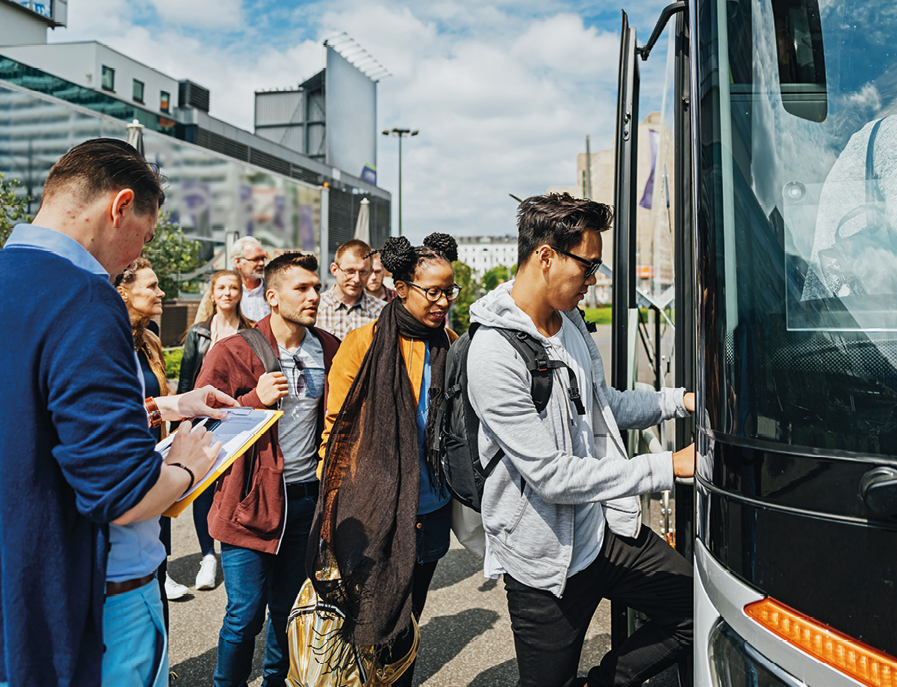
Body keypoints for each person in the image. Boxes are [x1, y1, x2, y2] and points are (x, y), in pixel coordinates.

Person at [0, 137, 235, 687]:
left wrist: (165, 406)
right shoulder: (84, 295)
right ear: (120, 205)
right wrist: (185, 468)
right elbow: (122, 493)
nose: (135, 257)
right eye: (144, 238)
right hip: (92, 602)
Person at [466, 193, 696, 687]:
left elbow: (603, 404)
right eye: (588, 267)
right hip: (545, 560)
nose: (593, 282)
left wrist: (681, 401)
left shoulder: (568, 321)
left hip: (603, 529)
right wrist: (666, 467)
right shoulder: (492, 354)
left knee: (693, 611)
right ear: (546, 256)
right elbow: (551, 476)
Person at [310, 233, 460, 687]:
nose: (442, 301)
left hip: (430, 509)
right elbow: (336, 430)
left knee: (408, 617)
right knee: (366, 616)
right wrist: (332, 509)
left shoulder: (451, 343)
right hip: (373, 508)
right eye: (431, 291)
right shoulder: (363, 344)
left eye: (448, 290)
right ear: (401, 289)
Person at [196, 252, 340, 687]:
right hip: (249, 505)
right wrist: (252, 399)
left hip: (305, 501)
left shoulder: (328, 348)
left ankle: (276, 681)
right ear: (272, 296)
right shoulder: (233, 350)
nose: (314, 295)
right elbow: (198, 426)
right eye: (303, 288)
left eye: (316, 287)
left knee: (288, 611)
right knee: (243, 615)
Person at [113, 258, 192, 611]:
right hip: (120, 467)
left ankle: (164, 665)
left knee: (158, 569)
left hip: (155, 461)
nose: (160, 292)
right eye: (152, 286)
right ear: (123, 291)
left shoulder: (150, 339)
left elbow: (158, 391)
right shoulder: (106, 340)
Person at [178, 270, 256, 591]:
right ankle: (208, 556)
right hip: (202, 419)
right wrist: (182, 424)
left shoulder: (251, 332)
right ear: (212, 293)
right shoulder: (198, 333)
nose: (227, 293)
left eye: (233, 287)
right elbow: (185, 382)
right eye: (221, 287)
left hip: (239, 416)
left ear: (240, 293)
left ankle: (234, 548)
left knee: (235, 485)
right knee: (203, 488)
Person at [316, 238, 386, 339]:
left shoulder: (382, 312)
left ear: (370, 272)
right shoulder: (316, 307)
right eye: (350, 271)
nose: (356, 279)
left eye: (363, 272)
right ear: (334, 270)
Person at [232, 235, 270, 321]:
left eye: (263, 258)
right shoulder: (224, 293)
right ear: (238, 262)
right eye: (255, 259)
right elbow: (201, 326)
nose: (261, 263)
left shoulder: (273, 290)